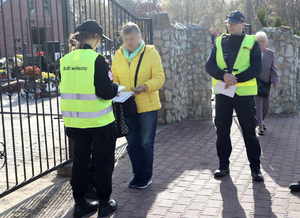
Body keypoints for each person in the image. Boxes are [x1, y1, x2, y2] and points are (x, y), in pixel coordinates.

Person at [60, 20, 118, 218]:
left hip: (74, 122)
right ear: (95, 37)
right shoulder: (97, 59)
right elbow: (105, 92)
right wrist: (116, 88)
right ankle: (104, 204)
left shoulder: (65, 60)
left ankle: (80, 204)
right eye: (100, 39)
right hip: (99, 123)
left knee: (80, 163)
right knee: (103, 163)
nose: (100, 43)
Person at [205, 11, 264, 182]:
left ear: (242, 24)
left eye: (235, 23)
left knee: (248, 131)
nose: (231, 25)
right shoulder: (219, 41)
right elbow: (209, 65)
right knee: (222, 130)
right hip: (223, 91)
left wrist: (236, 79)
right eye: (229, 22)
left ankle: (255, 169)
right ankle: (223, 166)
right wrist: (223, 76)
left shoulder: (251, 42)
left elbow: (256, 68)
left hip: (244, 93)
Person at [112, 22, 165, 189]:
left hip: (147, 106)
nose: (129, 42)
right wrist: (116, 88)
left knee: (146, 142)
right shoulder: (118, 55)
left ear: (140, 37)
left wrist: (145, 86)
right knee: (133, 143)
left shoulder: (150, 52)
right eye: (126, 39)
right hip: (127, 105)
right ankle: (137, 175)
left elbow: (159, 78)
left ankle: (146, 177)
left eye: (132, 39)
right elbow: (114, 79)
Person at [255, 31, 279, 135]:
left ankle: (261, 121)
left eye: (263, 41)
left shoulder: (270, 53)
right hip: (255, 83)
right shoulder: (253, 53)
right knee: (258, 106)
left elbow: (273, 69)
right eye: (259, 42)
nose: (261, 43)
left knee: (266, 107)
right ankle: (260, 126)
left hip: (266, 84)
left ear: (266, 42)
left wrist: (275, 81)